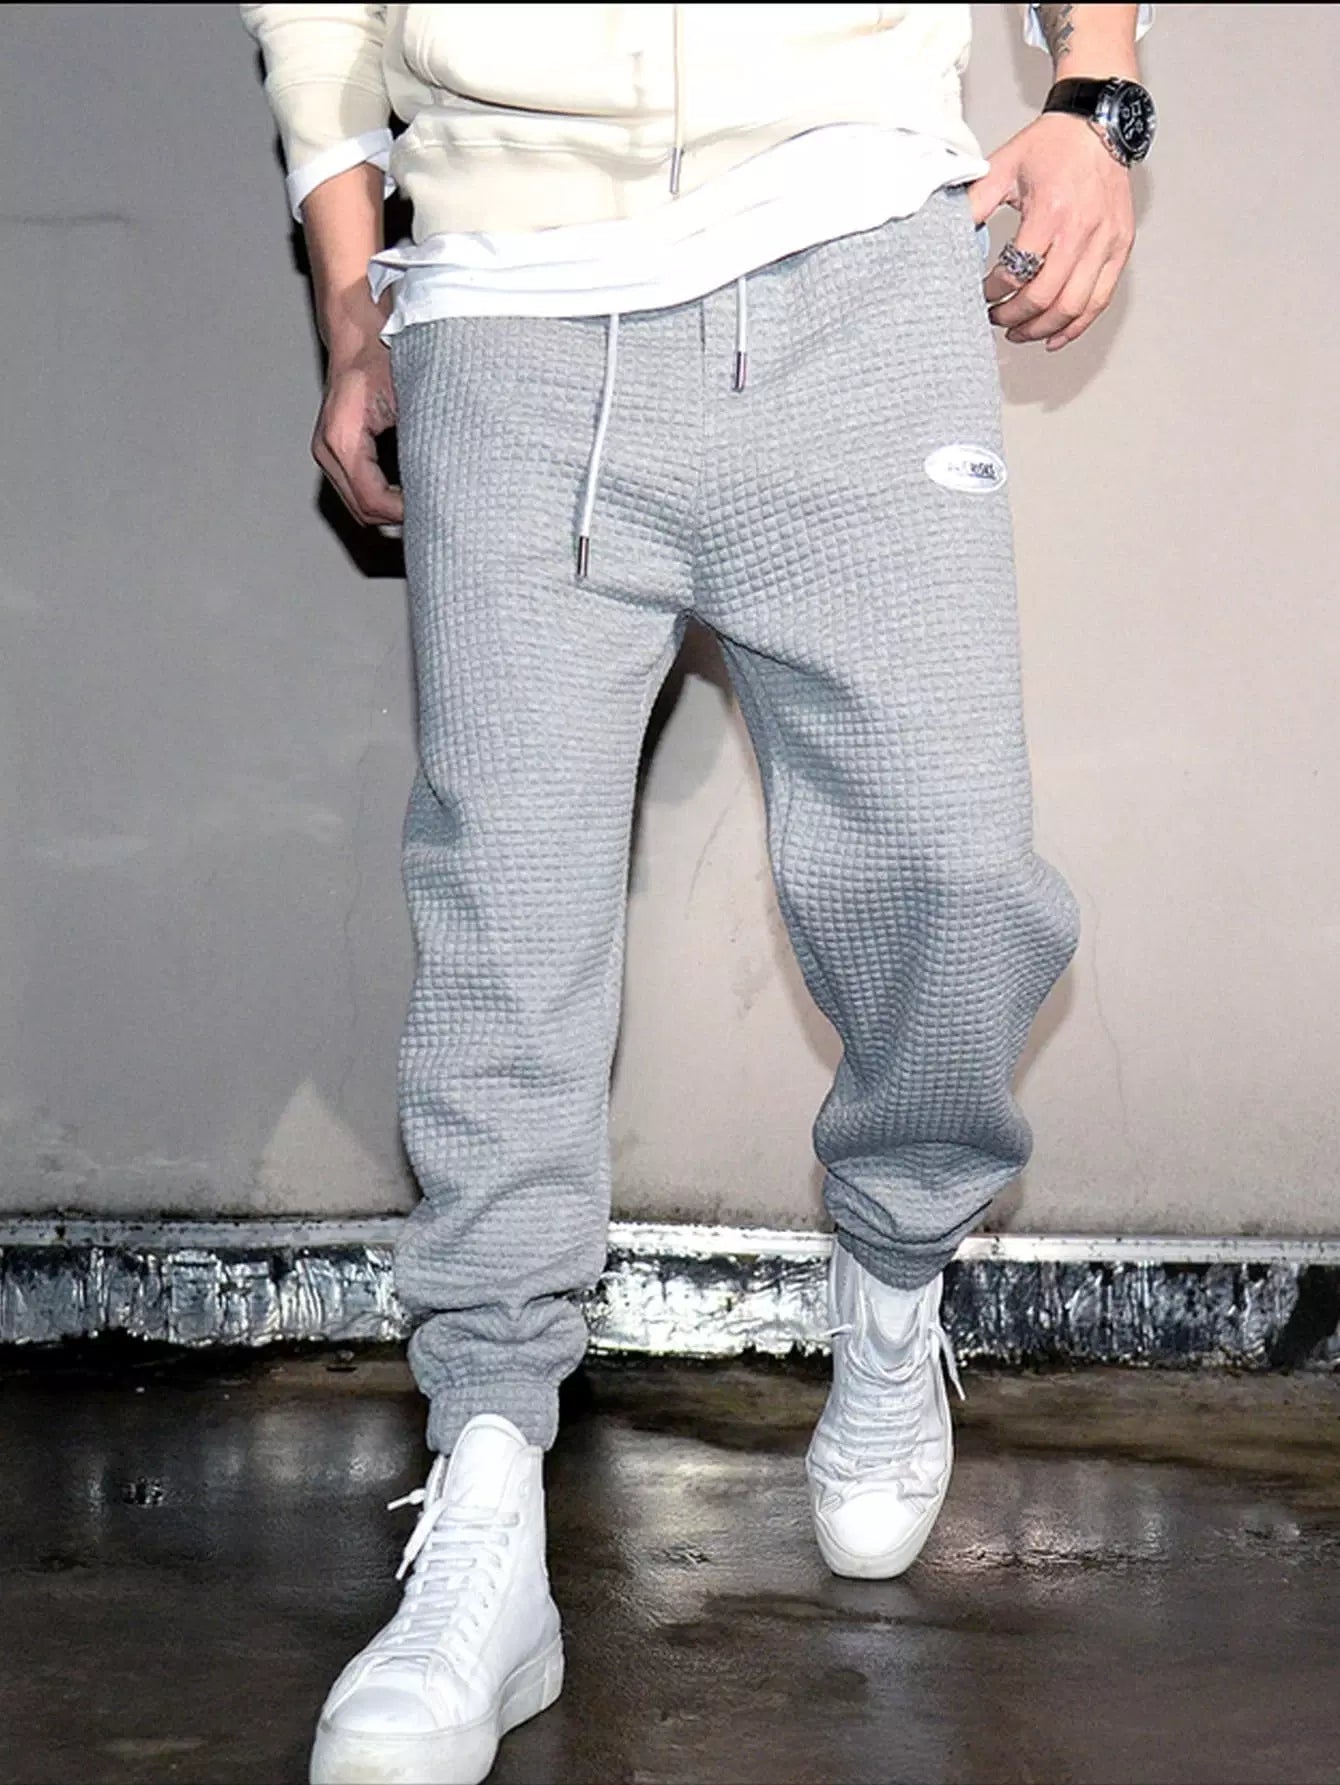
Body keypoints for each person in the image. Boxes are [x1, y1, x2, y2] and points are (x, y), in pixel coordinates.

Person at [240, 5, 1155, 1781]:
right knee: (504, 918)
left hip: (852, 243)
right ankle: (488, 1488)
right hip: (507, 287)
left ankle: (894, 1264)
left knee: (955, 870)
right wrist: (355, 297)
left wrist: (1096, 89)